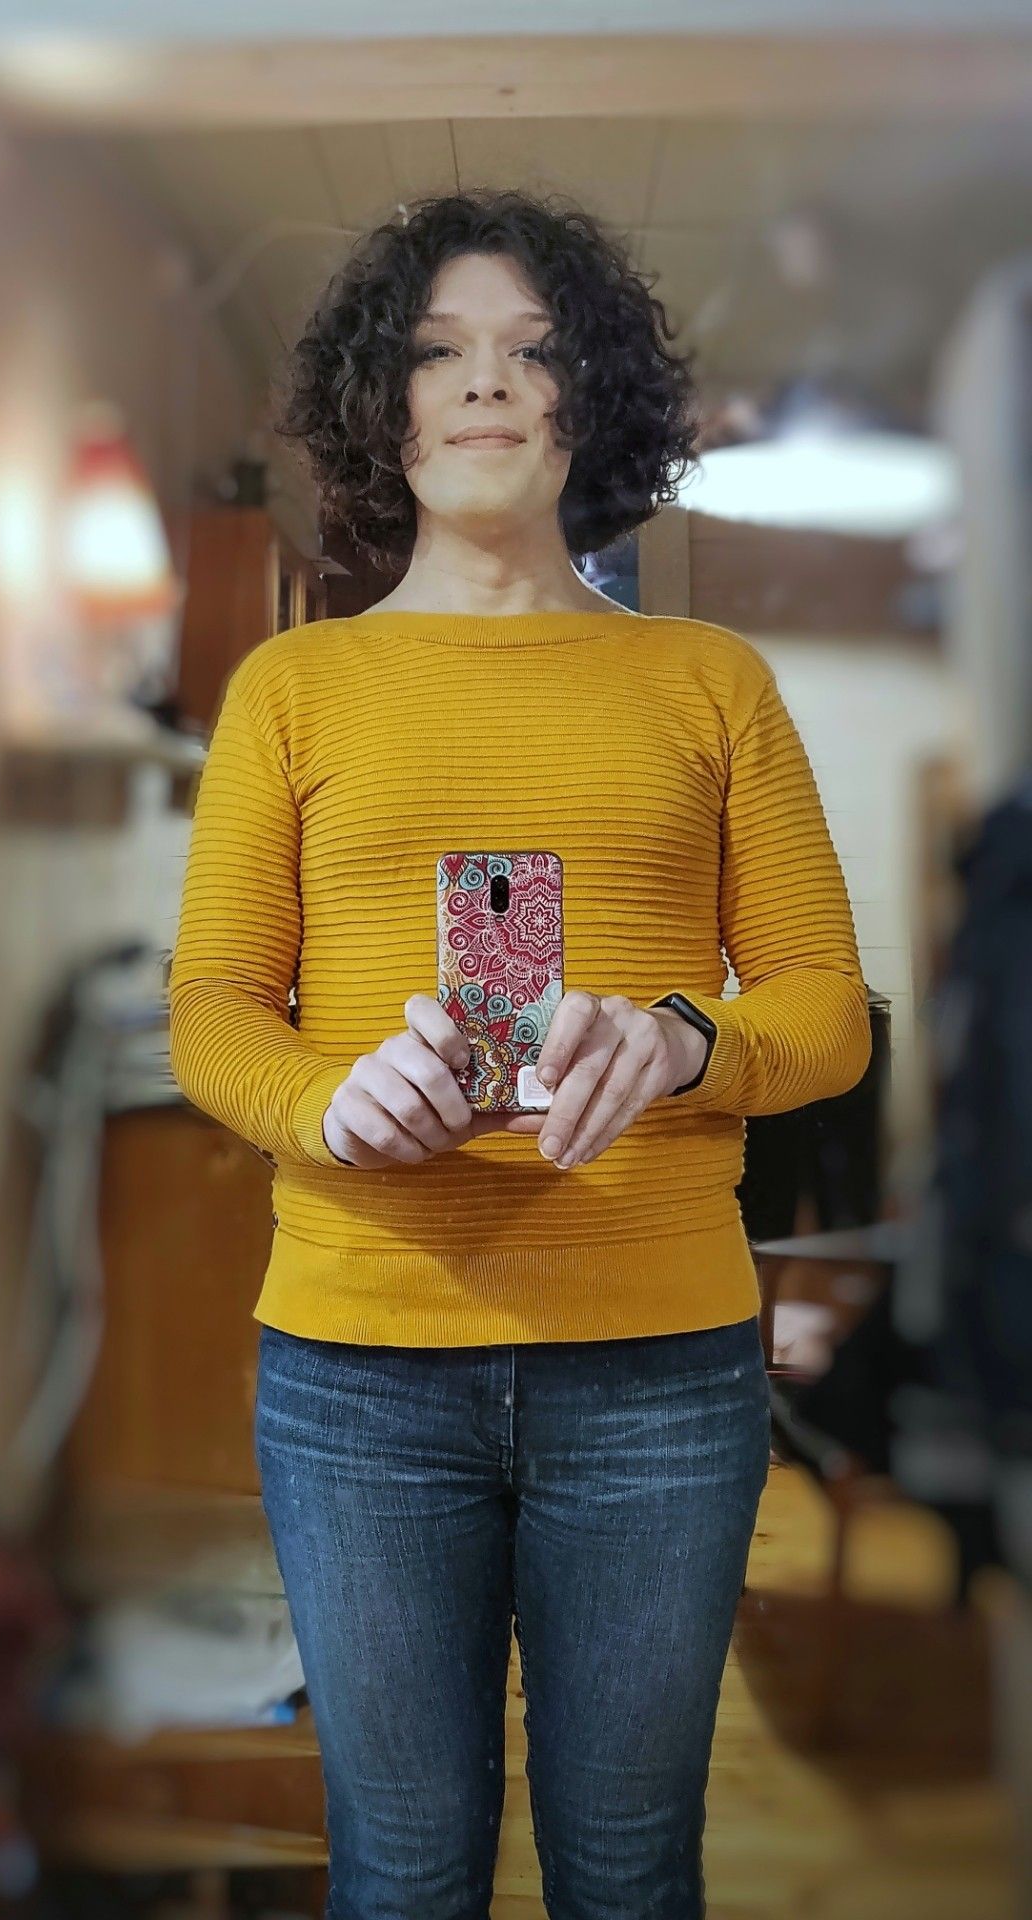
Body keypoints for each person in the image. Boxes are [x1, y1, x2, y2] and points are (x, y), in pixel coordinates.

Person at [168, 188, 872, 1919]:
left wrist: (684, 1037)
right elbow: (214, 1014)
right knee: (402, 1874)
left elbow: (825, 1010)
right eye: (437, 351)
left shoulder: (713, 682)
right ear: (382, 407)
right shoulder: (291, 690)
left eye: (534, 350)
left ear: (590, 400)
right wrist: (331, 1099)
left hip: (659, 1374)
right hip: (357, 1375)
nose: (486, 383)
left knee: (630, 1872)